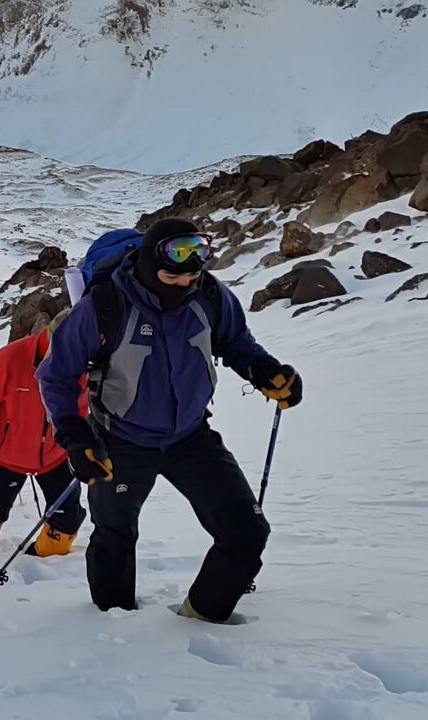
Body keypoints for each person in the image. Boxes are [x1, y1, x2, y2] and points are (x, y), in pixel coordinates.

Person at [38, 218, 303, 624]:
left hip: (190, 437)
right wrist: (74, 435)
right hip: (120, 441)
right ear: (147, 265)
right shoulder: (105, 306)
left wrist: (265, 370)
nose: (185, 284)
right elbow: (55, 375)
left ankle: (201, 620)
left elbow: (235, 343)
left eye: (194, 274)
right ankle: (109, 627)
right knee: (114, 537)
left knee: (246, 532)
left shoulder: (210, 295)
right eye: (172, 275)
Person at [0, 314, 86, 553]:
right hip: (6, 457)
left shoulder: (83, 365)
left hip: (54, 456)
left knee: (67, 520)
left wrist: (86, 448)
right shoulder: (11, 358)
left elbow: (85, 411)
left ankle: (43, 561)